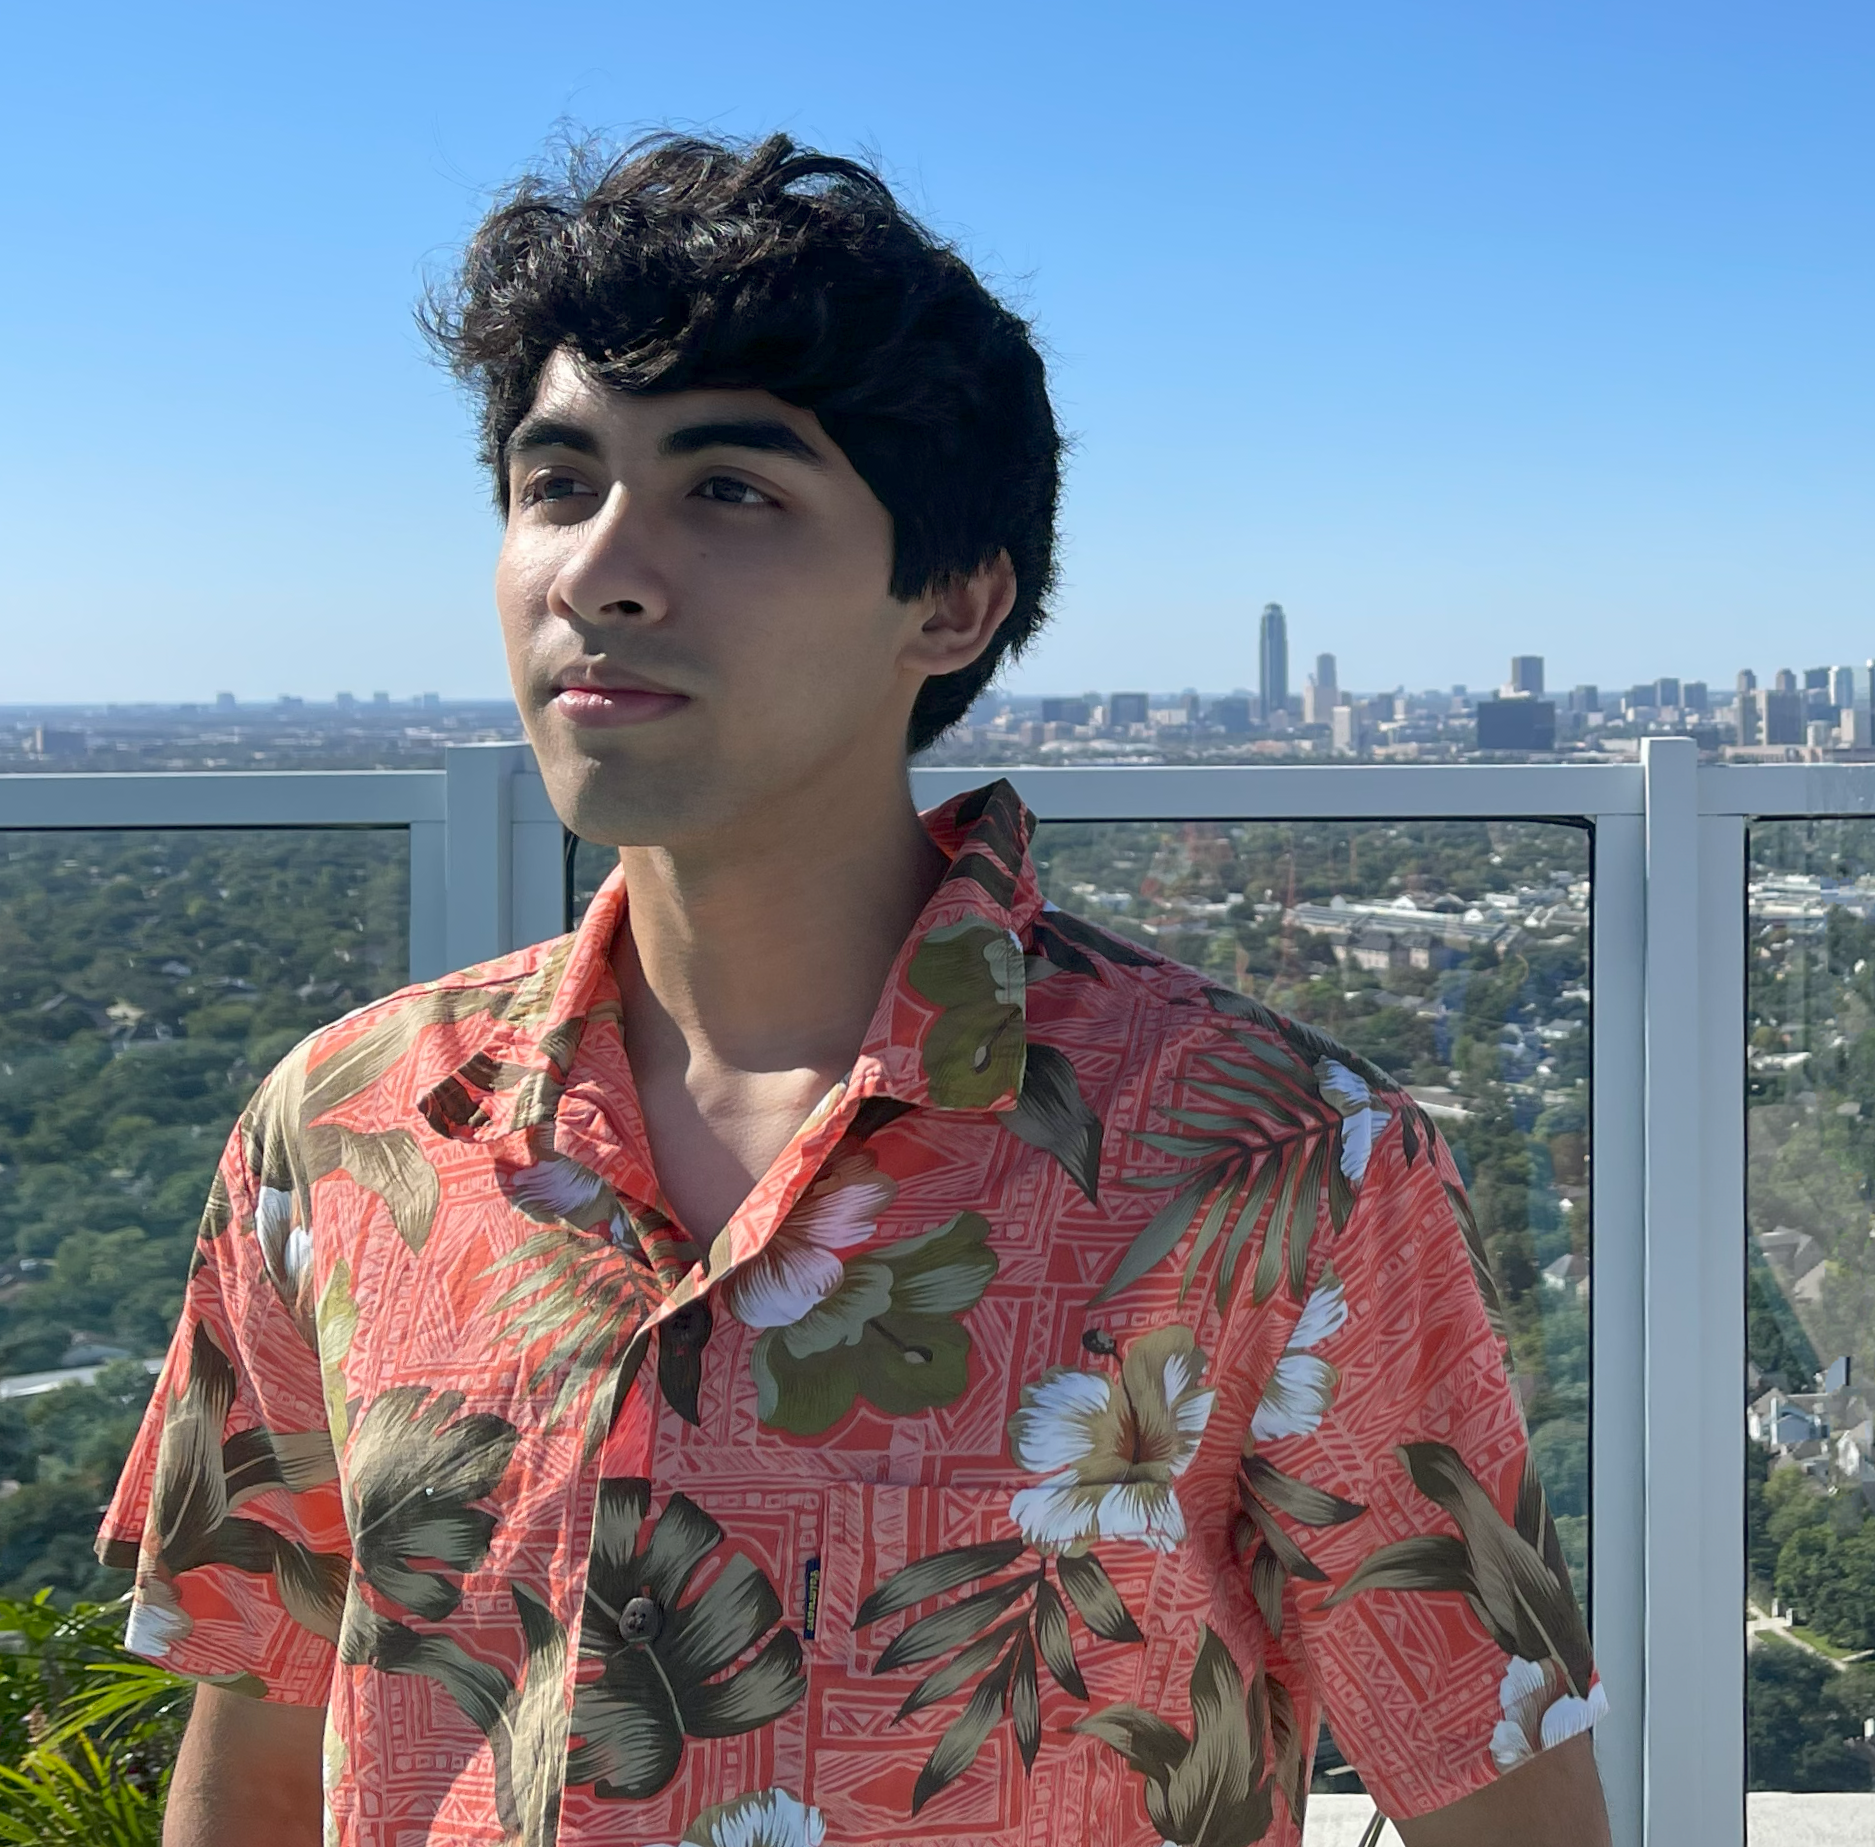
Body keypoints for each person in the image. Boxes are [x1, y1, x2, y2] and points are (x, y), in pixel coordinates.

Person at [110, 136, 1608, 1847]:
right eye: (556, 481)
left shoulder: (1275, 1163)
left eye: (729, 489)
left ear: (954, 601)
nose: (602, 568)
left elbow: (1501, 1796)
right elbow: (257, 1759)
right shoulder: (350, 1129)